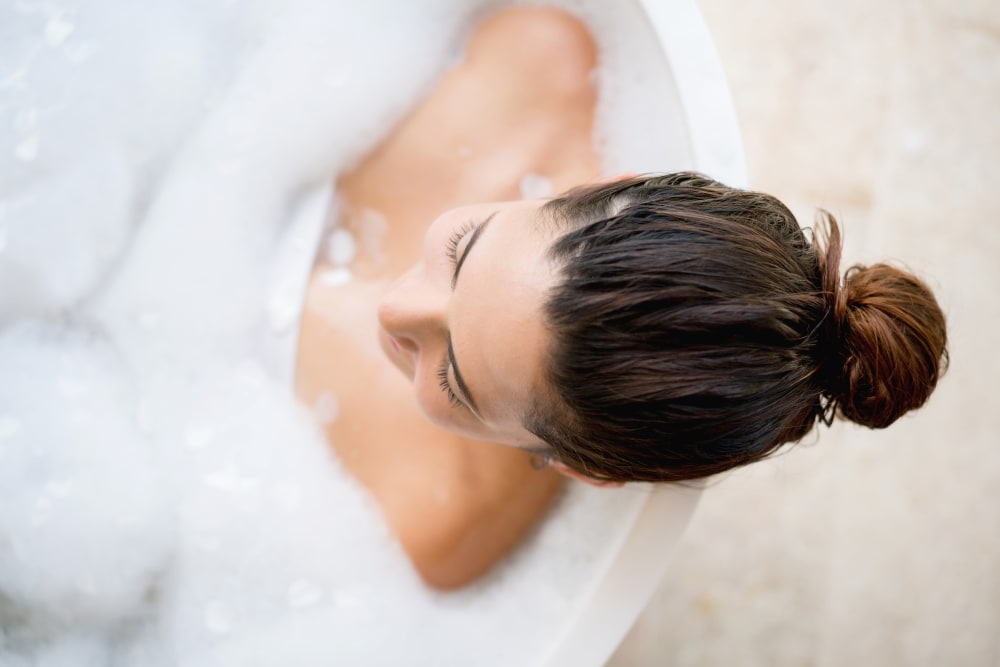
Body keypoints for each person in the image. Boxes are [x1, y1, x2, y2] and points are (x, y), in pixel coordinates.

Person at [296, 6, 947, 589]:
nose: (394, 309)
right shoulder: (536, 60)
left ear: (582, 469)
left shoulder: (429, 518)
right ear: (613, 182)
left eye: (453, 376)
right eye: (464, 248)